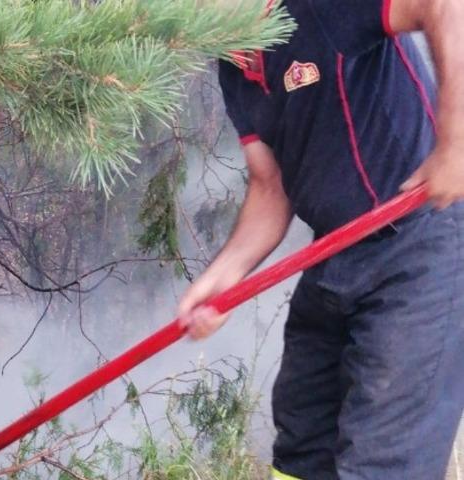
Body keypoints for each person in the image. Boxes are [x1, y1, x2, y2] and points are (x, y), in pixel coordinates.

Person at [177, 0, 464, 478]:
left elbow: (442, 6)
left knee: (383, 463)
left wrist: (456, 141)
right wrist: (221, 279)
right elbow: (271, 189)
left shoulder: (318, 7)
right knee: (302, 445)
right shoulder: (233, 68)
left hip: (421, 247)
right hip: (334, 253)